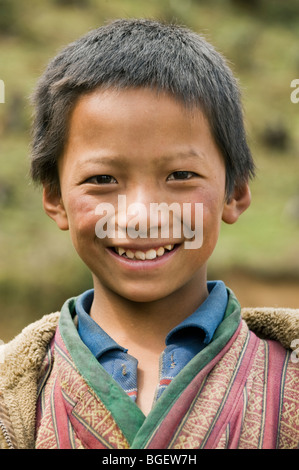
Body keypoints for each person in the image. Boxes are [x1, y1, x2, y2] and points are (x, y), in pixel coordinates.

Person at [0, 18, 298, 450]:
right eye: (102, 179)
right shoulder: (14, 397)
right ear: (55, 198)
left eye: (180, 175)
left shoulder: (285, 381)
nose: (141, 215)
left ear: (234, 192)